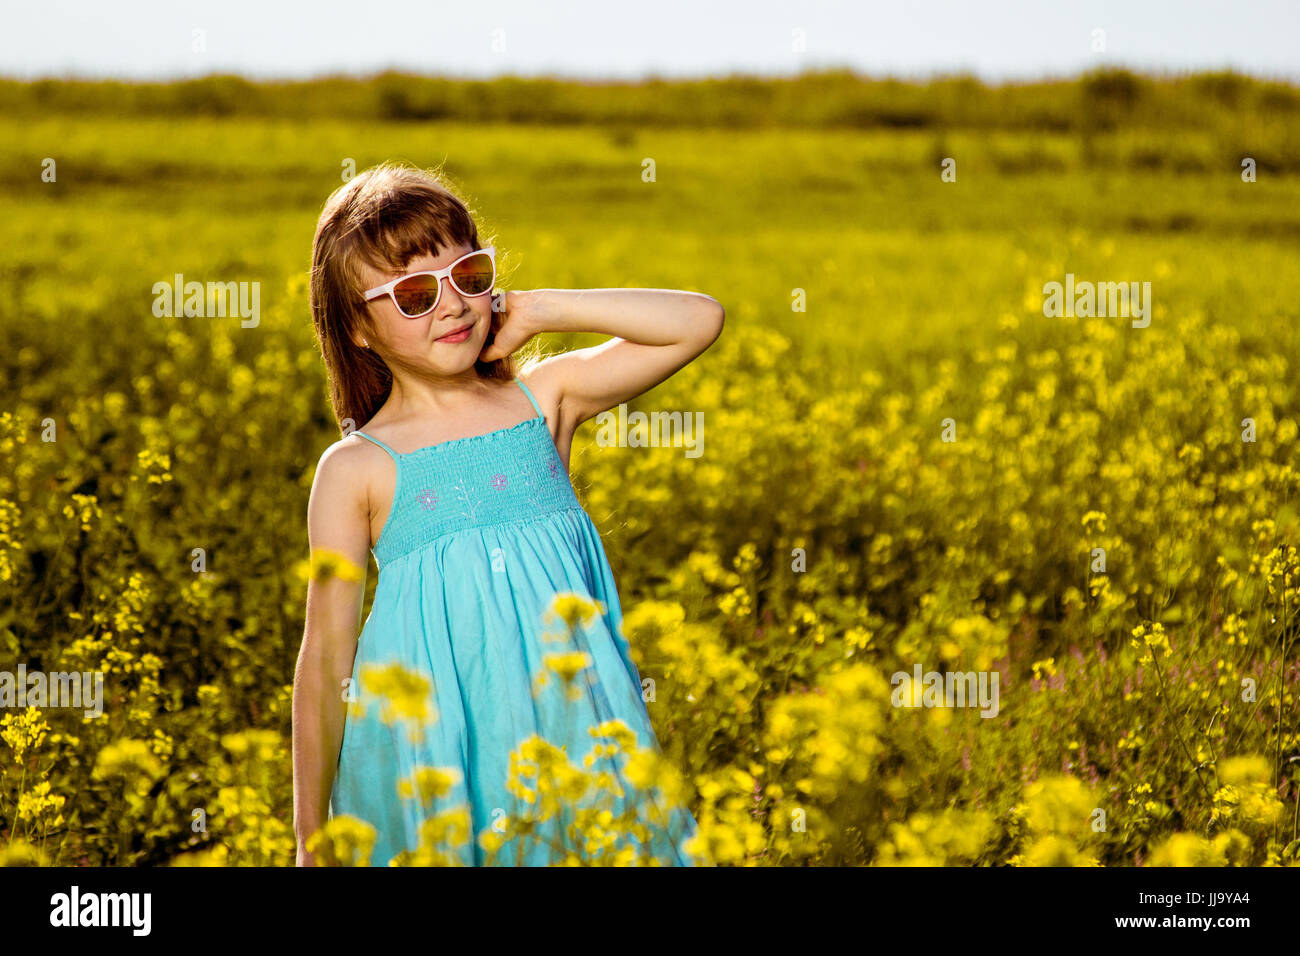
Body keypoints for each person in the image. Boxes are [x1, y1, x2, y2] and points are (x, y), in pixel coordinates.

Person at [292, 162, 724, 866]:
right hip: (432, 756)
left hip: (576, 730)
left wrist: (541, 309)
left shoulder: (544, 399)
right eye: (413, 294)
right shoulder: (356, 468)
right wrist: (312, 837)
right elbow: (326, 658)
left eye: (469, 275)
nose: (451, 304)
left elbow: (698, 321)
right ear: (358, 329)